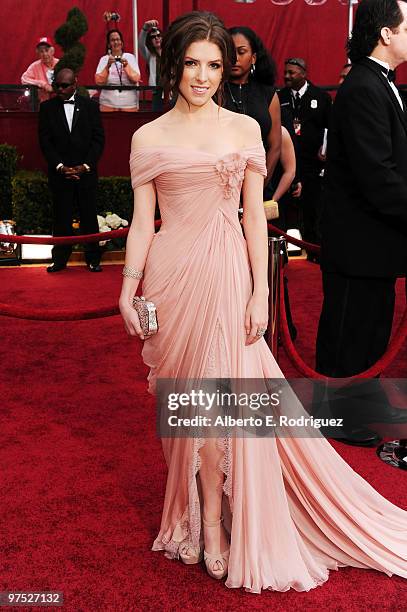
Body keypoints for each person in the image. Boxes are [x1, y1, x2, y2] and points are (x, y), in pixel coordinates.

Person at [119, 10, 407, 594]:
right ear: (174, 65)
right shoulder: (147, 138)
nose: (202, 76)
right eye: (193, 63)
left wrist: (258, 292)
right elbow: (143, 223)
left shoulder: (244, 129)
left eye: (215, 65)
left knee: (216, 404)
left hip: (227, 274)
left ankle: (217, 526)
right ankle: (197, 517)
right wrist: (128, 288)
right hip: (172, 278)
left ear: (228, 69)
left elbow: (254, 218)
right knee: (188, 407)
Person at [316, 0, 407, 446]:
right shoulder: (364, 87)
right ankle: (338, 415)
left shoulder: (376, 82)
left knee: (372, 331)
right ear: (386, 33)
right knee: (348, 334)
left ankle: (365, 400)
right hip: (358, 243)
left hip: (377, 243)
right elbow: (379, 176)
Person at [38, 68, 105, 272]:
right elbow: (45, 141)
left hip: (86, 172)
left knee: (89, 217)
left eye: (64, 85)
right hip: (60, 174)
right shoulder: (47, 108)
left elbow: (98, 140)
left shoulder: (90, 107)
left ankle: (93, 259)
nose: (59, 89)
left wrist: (85, 166)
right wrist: (60, 167)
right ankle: (59, 260)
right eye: (57, 85)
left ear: (75, 83)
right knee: (61, 218)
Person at [278, 58, 331, 259]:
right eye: (286, 72)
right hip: (285, 165)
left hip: (312, 165)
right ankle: (281, 253)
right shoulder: (279, 97)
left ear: (303, 73)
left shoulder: (321, 97)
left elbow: (330, 128)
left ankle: (314, 252)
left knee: (312, 210)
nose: (287, 76)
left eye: (291, 72)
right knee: (284, 212)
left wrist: (325, 150)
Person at [223, 26, 281, 186]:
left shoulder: (268, 93)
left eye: (241, 52)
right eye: (230, 52)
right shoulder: (214, 90)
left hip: (260, 182)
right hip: (221, 183)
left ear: (253, 58)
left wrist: (260, 184)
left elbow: (275, 145)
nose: (235, 58)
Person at [95, 29, 141, 112]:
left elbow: (136, 79)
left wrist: (127, 66)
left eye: (118, 39)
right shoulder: (104, 59)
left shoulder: (130, 57)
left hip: (128, 104)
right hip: (108, 103)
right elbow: (98, 81)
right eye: (113, 40)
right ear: (109, 44)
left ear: (122, 43)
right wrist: (107, 66)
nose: (116, 42)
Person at [21, 37, 59, 102]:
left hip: (60, 102)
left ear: (52, 51)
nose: (45, 54)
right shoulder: (34, 66)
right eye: (41, 51)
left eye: (47, 50)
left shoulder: (60, 63)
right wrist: (43, 84)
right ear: (38, 54)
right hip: (42, 104)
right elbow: (24, 79)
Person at [138, 19, 163, 111]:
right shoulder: (150, 56)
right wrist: (144, 29)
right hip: (157, 93)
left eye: (159, 35)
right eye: (153, 37)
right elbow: (141, 45)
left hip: (171, 93)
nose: (156, 38)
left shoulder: (171, 54)